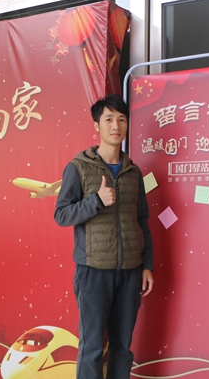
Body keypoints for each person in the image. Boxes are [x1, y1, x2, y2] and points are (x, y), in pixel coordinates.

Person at [54, 94, 154, 379]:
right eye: (108, 119)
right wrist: (96, 201)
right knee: (93, 347)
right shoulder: (78, 167)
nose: (116, 126)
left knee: (122, 347)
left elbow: (142, 221)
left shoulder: (133, 172)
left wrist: (147, 265)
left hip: (130, 272)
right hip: (93, 272)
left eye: (121, 119)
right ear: (97, 125)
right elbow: (61, 215)